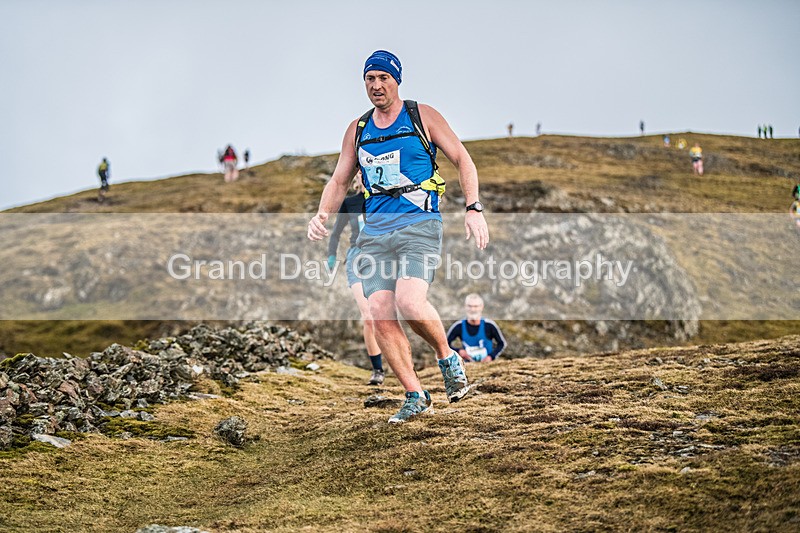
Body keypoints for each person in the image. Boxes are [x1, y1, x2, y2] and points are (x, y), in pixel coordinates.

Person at [307, 50, 489, 424]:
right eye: (370, 79)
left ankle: (446, 356)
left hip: (419, 225)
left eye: (383, 78)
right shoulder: (358, 129)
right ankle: (415, 394)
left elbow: (462, 159)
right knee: (378, 312)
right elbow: (340, 180)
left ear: (396, 81)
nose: (376, 86)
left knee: (409, 301)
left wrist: (473, 207)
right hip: (374, 234)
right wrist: (322, 214)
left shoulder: (421, 116)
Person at [328, 174, 384, 385]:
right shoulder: (350, 203)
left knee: (384, 313)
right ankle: (377, 370)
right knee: (368, 316)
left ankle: (401, 363)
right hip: (356, 258)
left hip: (381, 256)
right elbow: (335, 233)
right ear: (356, 177)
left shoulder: (383, 198)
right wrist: (331, 256)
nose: (363, 176)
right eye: (360, 173)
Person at [446, 294, 507, 364]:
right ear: (465, 307)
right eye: (469, 306)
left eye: (476, 306)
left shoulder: (490, 325)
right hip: (468, 365)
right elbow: (445, 345)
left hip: (488, 365)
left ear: (481, 307)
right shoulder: (458, 326)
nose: (472, 309)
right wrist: (458, 351)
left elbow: (502, 344)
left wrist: (491, 356)